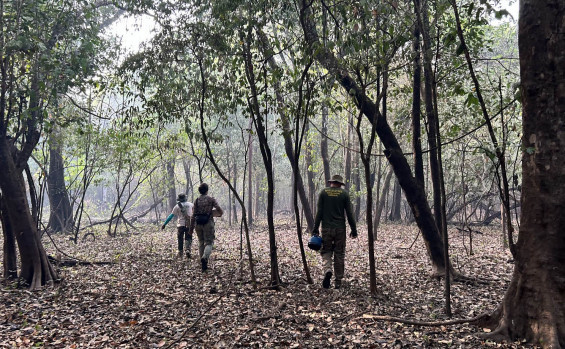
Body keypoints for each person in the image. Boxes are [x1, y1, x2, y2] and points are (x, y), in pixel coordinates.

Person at [312, 174, 357, 289]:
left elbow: (319, 212)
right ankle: (338, 281)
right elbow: (349, 213)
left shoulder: (323, 193)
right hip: (340, 229)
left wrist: (315, 228)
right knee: (339, 254)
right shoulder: (344, 194)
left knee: (326, 251)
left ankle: (327, 270)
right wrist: (353, 229)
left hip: (326, 228)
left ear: (331, 182)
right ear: (340, 184)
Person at [189, 183, 223, 272]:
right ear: (207, 190)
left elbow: (193, 215)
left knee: (201, 242)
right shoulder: (211, 199)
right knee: (209, 242)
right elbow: (218, 208)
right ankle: (205, 258)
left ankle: (203, 264)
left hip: (198, 223)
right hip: (208, 223)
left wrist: (191, 229)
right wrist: (220, 213)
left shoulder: (196, 201)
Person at [161, 193, 194, 259]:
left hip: (180, 225)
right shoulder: (191, 204)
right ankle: (188, 249)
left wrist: (164, 224)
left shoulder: (177, 206)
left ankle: (180, 252)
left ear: (179, 199)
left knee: (180, 239)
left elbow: (171, 216)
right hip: (189, 224)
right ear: (185, 198)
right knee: (188, 237)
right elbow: (194, 214)